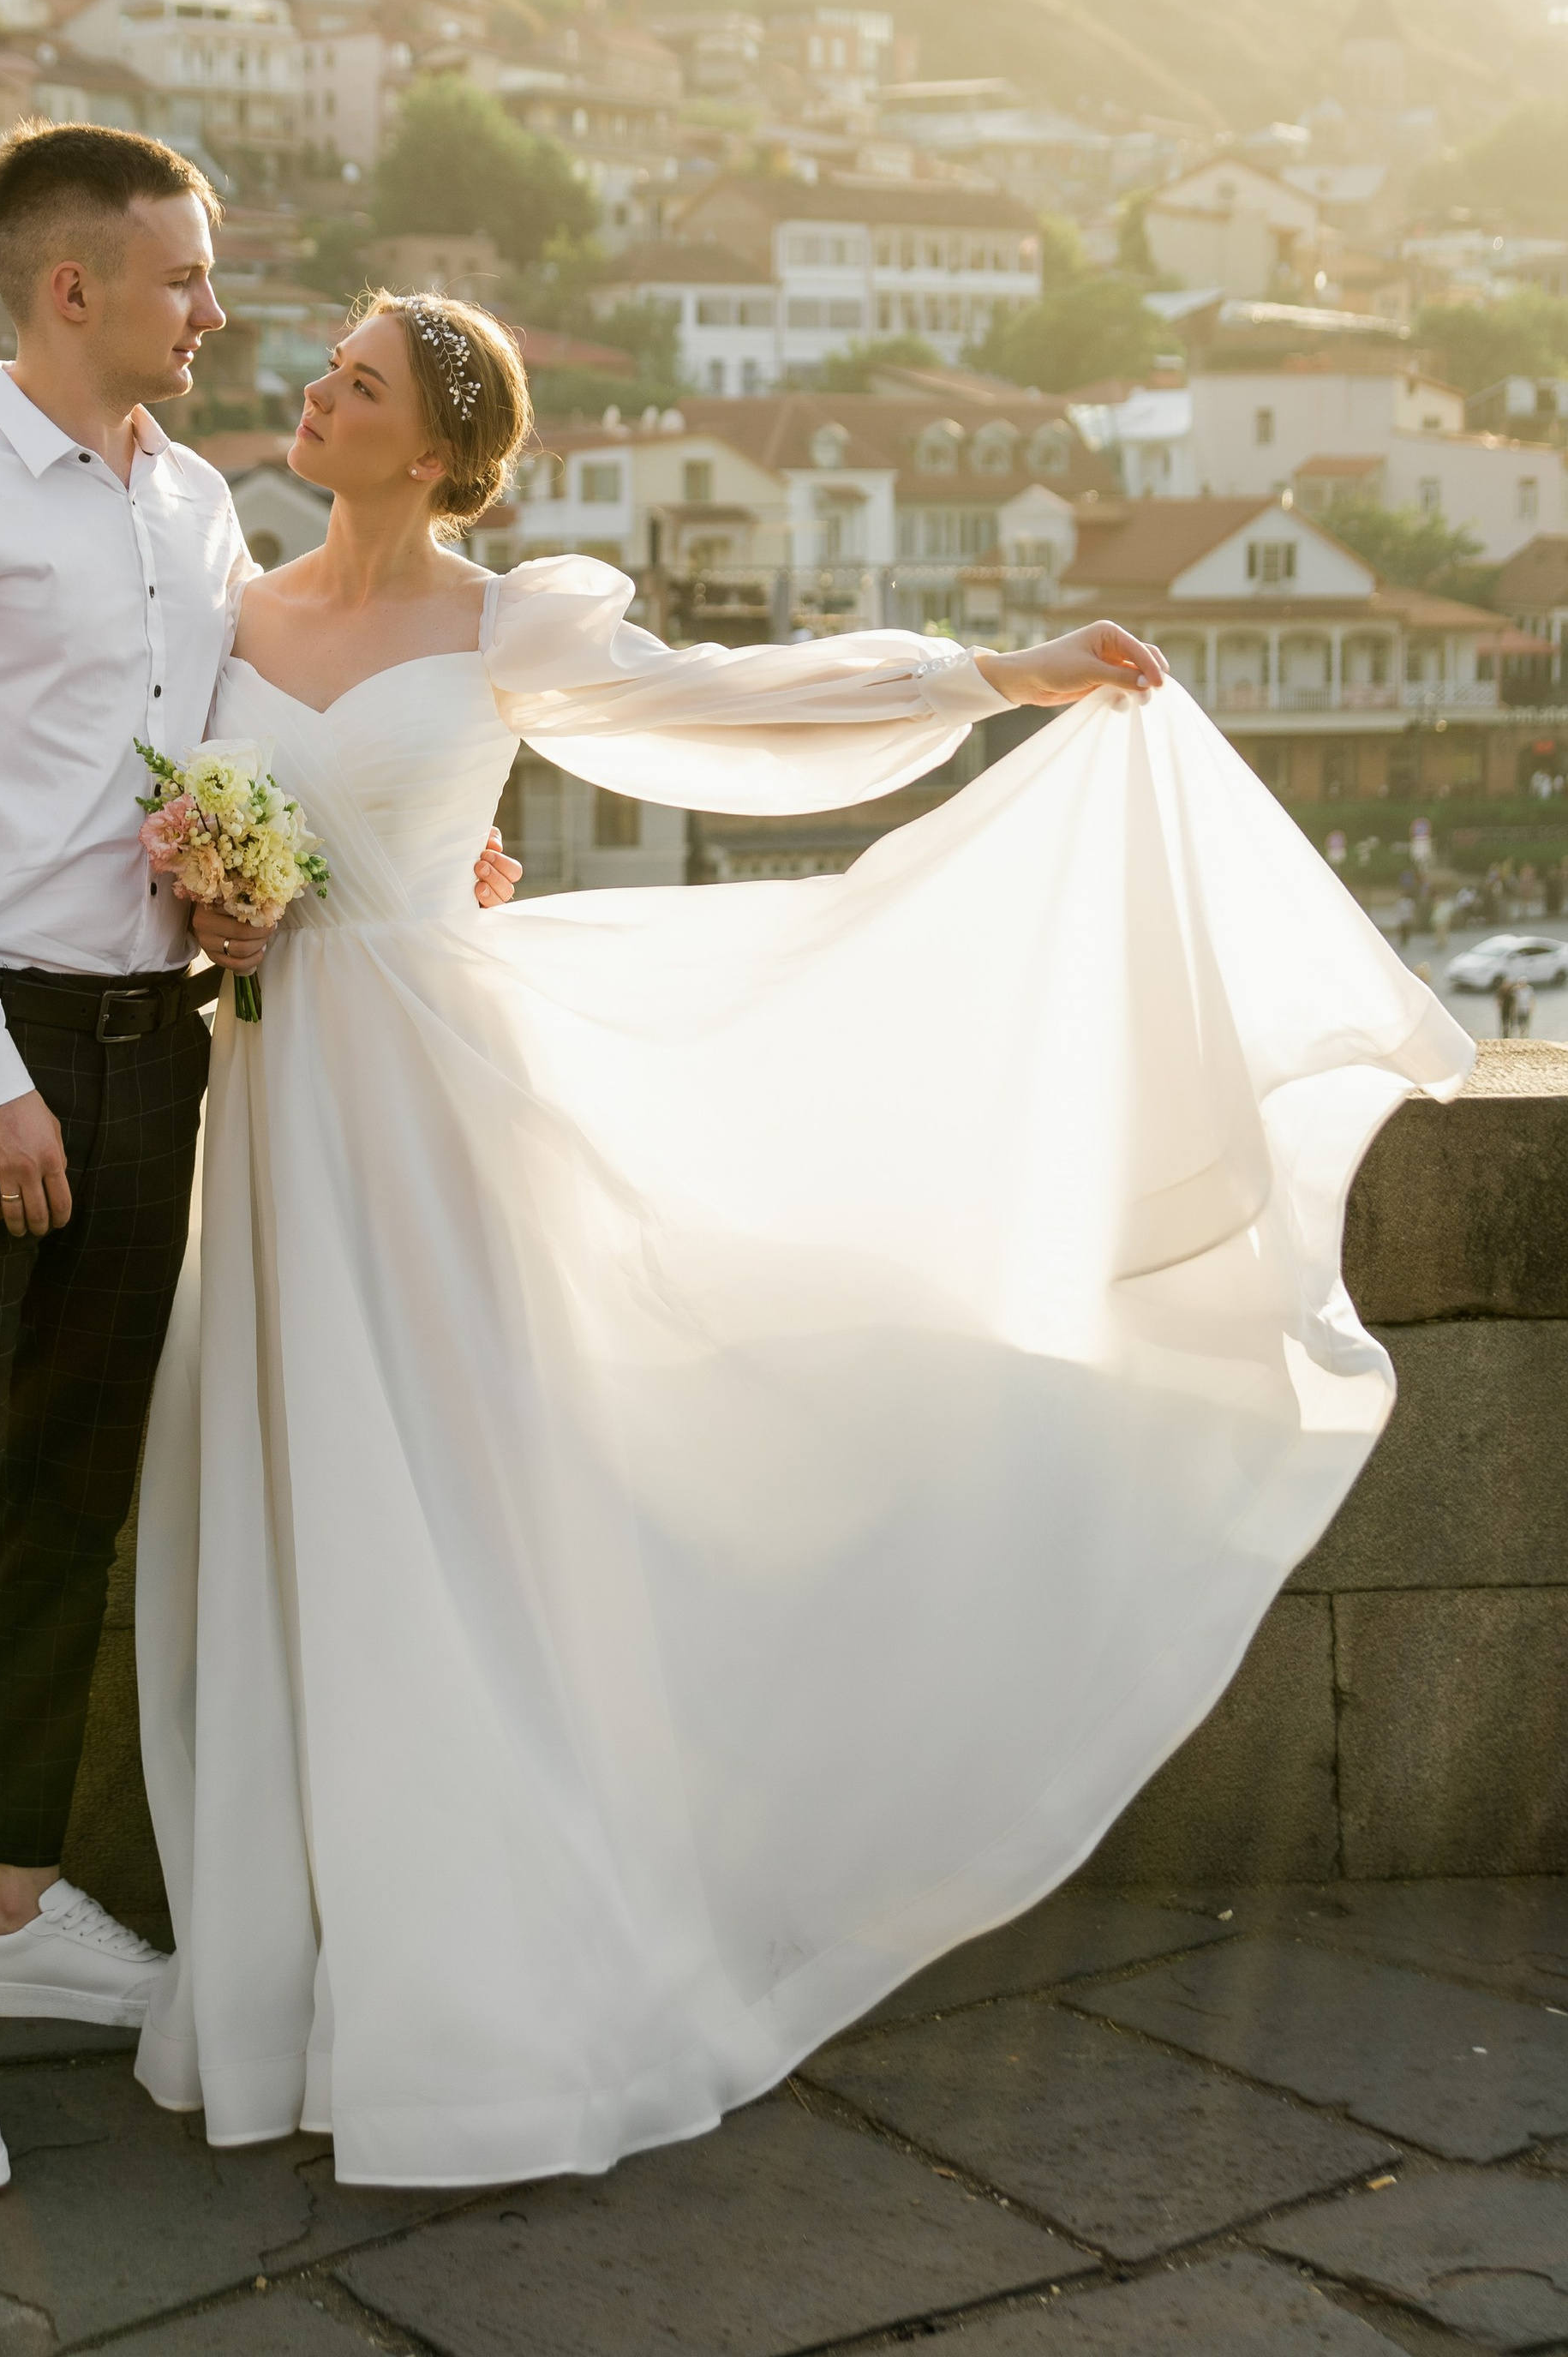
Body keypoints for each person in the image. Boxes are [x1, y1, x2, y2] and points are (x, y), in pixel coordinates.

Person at [130, 292, 1470, 2188]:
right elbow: (157, 816)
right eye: (326, 367)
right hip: (275, 1112)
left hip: (436, 1118)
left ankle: (486, 1992)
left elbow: (728, 707)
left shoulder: (514, 625)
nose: (315, 390)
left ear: (428, 450)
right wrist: (212, 908)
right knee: (293, 1500)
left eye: (354, 381)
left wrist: (988, 677)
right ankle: (305, 1972)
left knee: (463, 1506)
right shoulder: (223, 612)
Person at [0, 132, 518, 2201]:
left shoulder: (199, 505)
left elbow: (259, 751)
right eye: (189, 281)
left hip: (158, 1059)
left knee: (64, 1506)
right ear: (72, 293)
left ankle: (13, 1917)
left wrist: (383, 854)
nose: (219, 316)